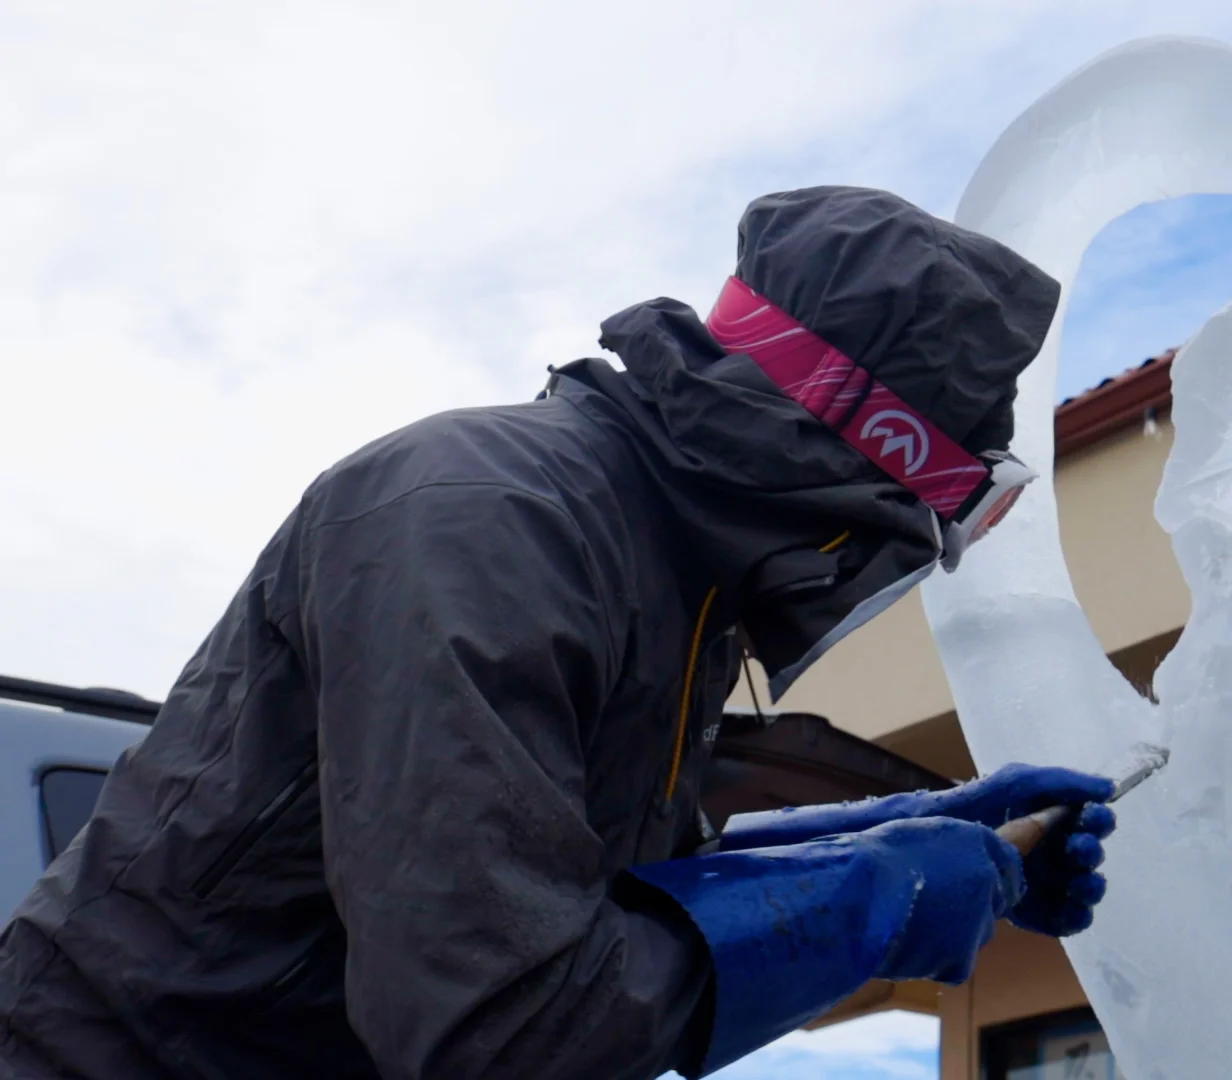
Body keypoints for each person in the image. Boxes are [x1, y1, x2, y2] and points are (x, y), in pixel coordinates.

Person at [0, 186, 1121, 1079]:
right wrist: (883, 901)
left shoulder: (673, 579)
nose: (922, 544)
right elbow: (501, 1029)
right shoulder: (486, 527)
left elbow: (578, 895)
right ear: (858, 460)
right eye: (950, 501)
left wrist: (883, 838)